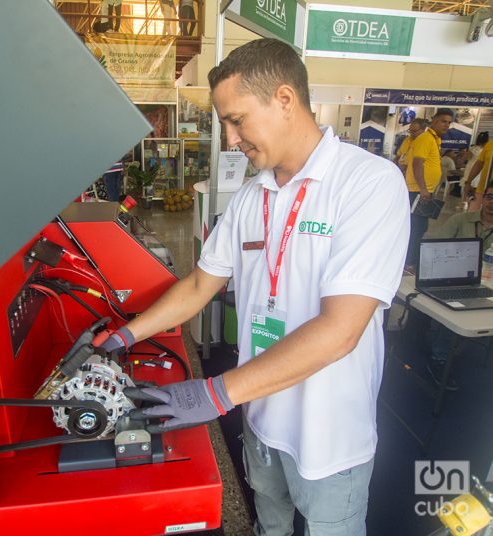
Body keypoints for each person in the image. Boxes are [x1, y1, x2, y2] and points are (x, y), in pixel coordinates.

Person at [99, 39, 409, 535]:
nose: (229, 137)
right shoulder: (252, 196)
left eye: (237, 120)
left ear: (285, 100)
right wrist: (123, 337)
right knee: (270, 525)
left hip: (327, 436)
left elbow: (340, 330)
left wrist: (215, 394)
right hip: (261, 418)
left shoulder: (368, 184)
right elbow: (201, 282)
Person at [424, 183, 493, 390]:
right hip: (452, 280)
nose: (492, 202)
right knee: (456, 312)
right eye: (490, 196)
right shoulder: (460, 220)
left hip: (486, 283)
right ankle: (439, 358)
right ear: (481, 198)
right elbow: (433, 248)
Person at [404, 108, 454, 270]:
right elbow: (417, 163)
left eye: (449, 122)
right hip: (418, 191)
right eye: (443, 121)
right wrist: (423, 189)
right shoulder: (426, 138)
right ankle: (409, 262)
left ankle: (410, 260)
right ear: (433, 120)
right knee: (416, 227)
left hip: (423, 191)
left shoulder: (433, 139)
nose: (446, 125)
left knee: (421, 227)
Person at [466, 135, 493, 211]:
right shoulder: (490, 144)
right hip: (482, 189)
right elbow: (479, 164)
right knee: (473, 215)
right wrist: (468, 182)